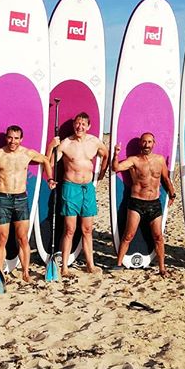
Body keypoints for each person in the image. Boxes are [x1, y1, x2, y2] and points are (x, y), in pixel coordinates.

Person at [0, 125, 55, 283]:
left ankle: (26, 272)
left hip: (21, 199)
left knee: (22, 238)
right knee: (2, 238)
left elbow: (45, 160)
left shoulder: (27, 153)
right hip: (2, 199)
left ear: (21, 139)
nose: (12, 141)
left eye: (16, 138)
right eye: (10, 137)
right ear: (6, 137)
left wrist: (49, 178)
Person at [47, 112, 108, 276]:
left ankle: (90, 264)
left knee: (87, 229)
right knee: (69, 229)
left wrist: (101, 173)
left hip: (87, 188)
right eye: (77, 123)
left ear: (88, 126)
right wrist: (51, 147)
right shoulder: (66, 143)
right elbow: (50, 163)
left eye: (83, 124)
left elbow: (105, 155)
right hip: (70, 188)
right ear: (74, 125)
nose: (79, 126)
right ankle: (64, 267)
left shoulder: (95, 142)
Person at [111, 132, 176, 276]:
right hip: (137, 203)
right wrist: (115, 155)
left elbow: (165, 178)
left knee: (158, 237)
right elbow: (116, 168)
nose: (147, 145)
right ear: (140, 143)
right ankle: (118, 264)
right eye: (144, 142)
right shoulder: (134, 160)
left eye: (149, 142)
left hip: (154, 203)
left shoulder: (159, 160)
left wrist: (172, 193)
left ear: (154, 143)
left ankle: (162, 268)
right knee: (128, 235)